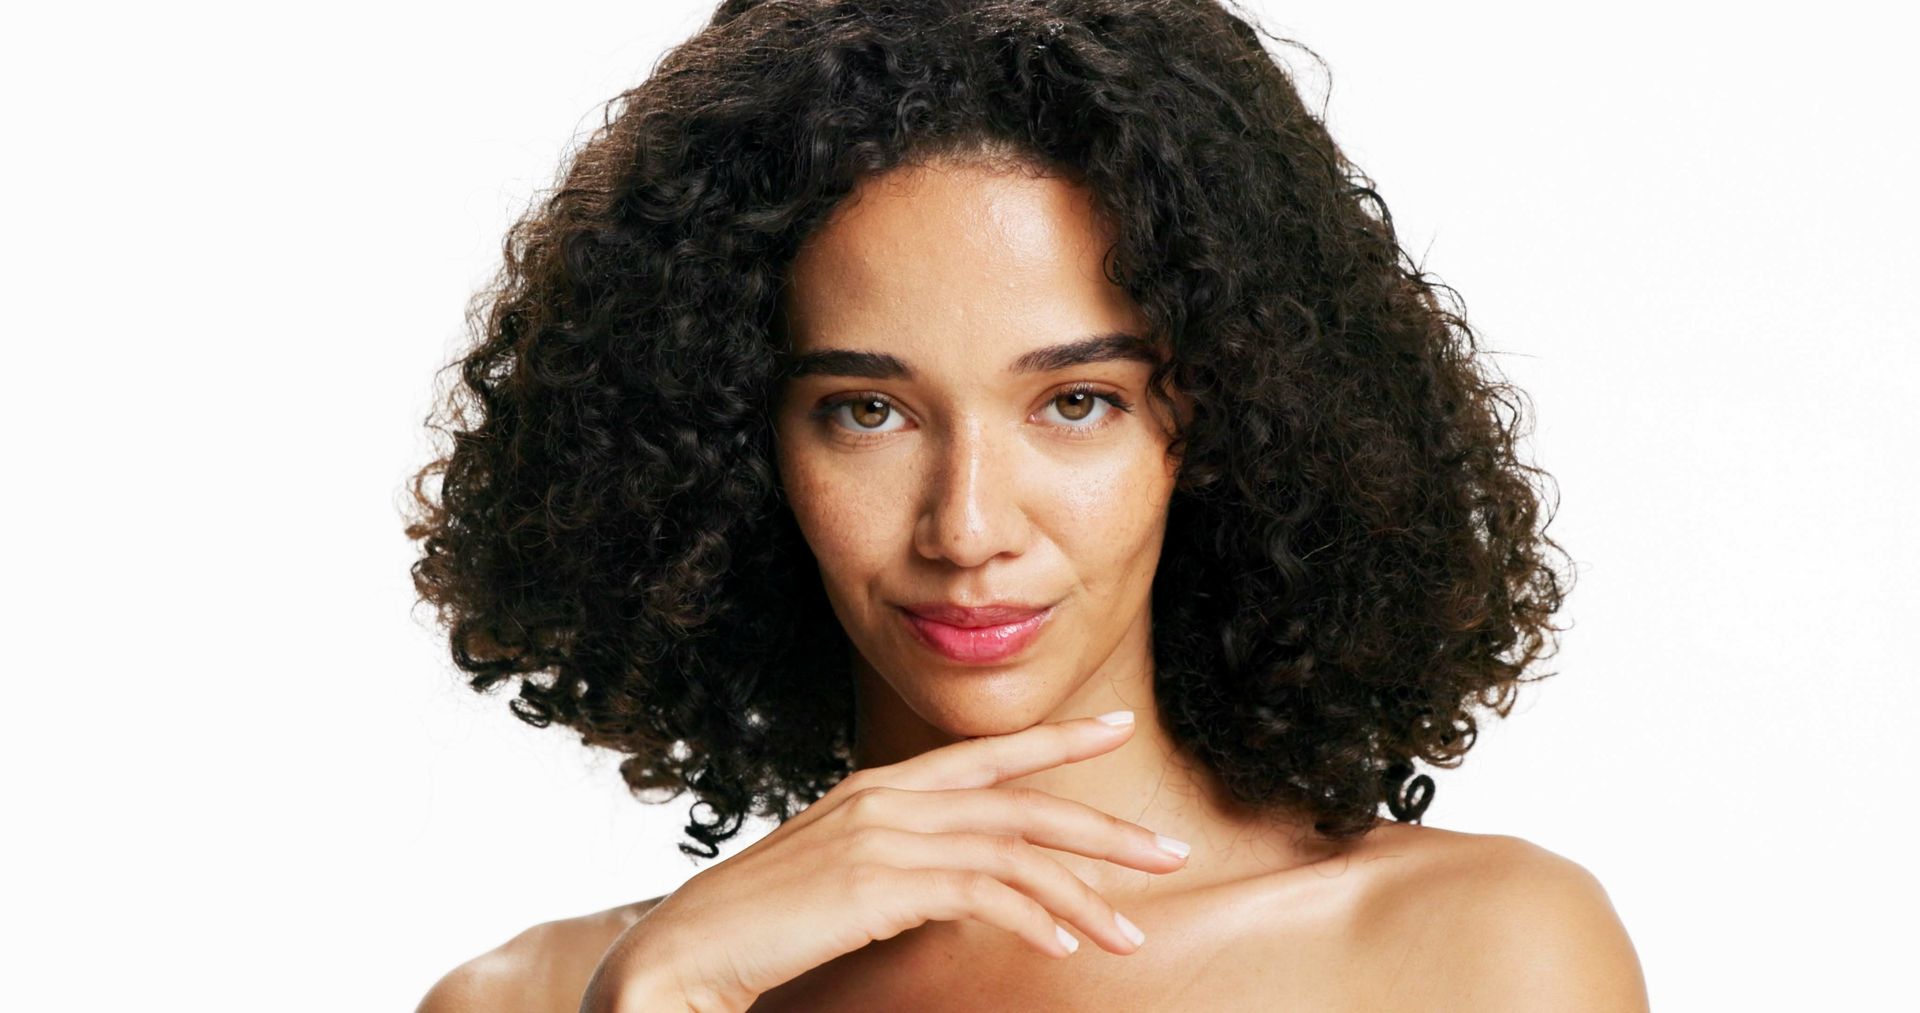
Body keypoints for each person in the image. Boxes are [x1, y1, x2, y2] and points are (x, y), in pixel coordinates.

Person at [405, 1, 1647, 1008]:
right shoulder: (543, 996)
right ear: (736, 445)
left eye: (1076, 401)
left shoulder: (1472, 958)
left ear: (1213, 423)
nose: (968, 527)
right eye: (865, 410)